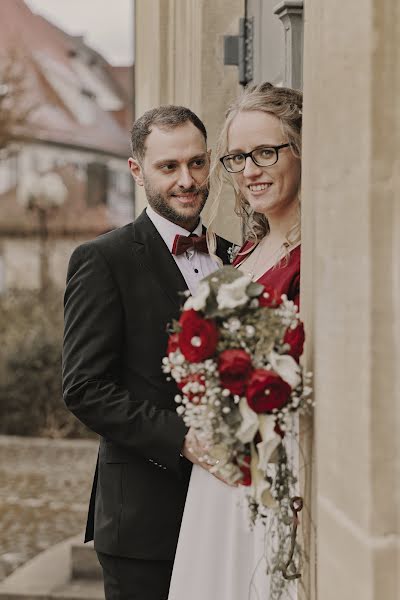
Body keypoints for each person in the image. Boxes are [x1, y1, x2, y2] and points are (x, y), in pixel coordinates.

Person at [62, 105, 232, 600]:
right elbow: (84, 388)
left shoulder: (235, 255)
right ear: (137, 170)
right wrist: (184, 440)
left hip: (227, 507)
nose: (187, 180)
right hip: (144, 519)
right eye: (169, 166)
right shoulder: (102, 259)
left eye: (197, 163)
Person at [168, 82, 302, 600]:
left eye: (266, 151)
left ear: (303, 149)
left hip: (276, 467)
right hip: (221, 469)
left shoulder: (318, 250)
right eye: (238, 157)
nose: (250, 170)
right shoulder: (245, 252)